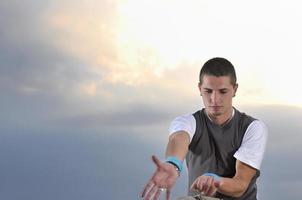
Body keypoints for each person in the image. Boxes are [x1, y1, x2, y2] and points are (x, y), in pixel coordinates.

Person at [141, 57, 268, 200]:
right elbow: (179, 137)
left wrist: (216, 181)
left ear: (235, 89)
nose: (214, 99)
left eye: (222, 91)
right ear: (199, 89)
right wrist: (173, 163)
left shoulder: (252, 128)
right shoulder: (187, 122)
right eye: (208, 91)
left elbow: (240, 185)